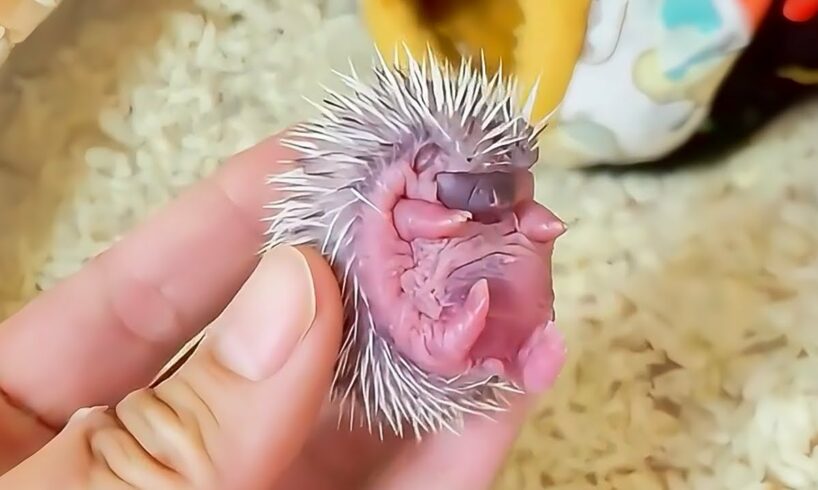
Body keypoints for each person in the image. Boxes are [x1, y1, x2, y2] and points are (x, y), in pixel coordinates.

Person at [0, 132, 552, 489]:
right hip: (404, 302)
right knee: (447, 322)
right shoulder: (396, 195)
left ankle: (498, 339)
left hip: (440, 294)